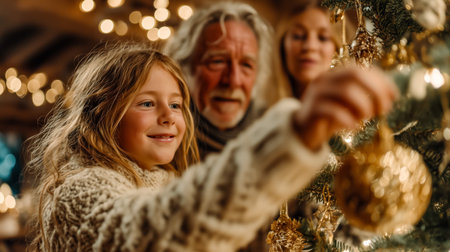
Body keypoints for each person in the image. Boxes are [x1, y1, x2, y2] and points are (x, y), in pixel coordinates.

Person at [27, 41, 397, 251]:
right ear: (101, 114)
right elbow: (154, 230)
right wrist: (293, 135)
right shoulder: (77, 191)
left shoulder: (164, 180)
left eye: (176, 104)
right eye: (146, 103)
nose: (169, 116)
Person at [164, 2, 273, 159]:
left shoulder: (274, 140)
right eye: (217, 62)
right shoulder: (161, 147)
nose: (234, 81)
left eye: (246, 65)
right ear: (183, 68)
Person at [264, 0, 355, 106]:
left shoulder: (358, 115)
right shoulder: (261, 114)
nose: (309, 46)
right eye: (298, 36)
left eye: (323, 38)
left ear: (340, 47)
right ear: (282, 44)